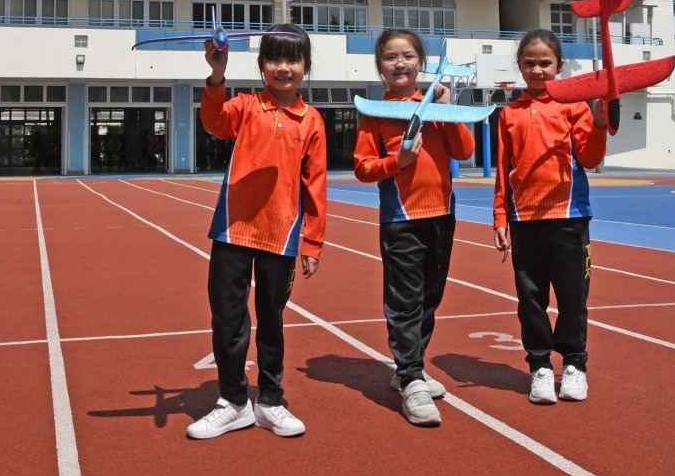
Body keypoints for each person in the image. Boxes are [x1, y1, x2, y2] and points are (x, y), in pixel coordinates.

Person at [187, 23, 327, 440]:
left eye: (293, 60)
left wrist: (312, 242)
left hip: (281, 235)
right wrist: (217, 74)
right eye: (274, 59)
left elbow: (315, 185)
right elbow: (213, 121)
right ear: (262, 64)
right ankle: (233, 402)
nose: (283, 67)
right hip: (232, 231)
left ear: (305, 66)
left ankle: (270, 401)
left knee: (271, 320)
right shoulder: (245, 106)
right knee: (228, 317)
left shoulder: (312, 120)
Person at [354, 29, 475, 427]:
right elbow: (362, 168)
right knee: (405, 301)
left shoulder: (436, 106)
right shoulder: (374, 112)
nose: (400, 63)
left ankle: (411, 366)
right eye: (390, 57)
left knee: (429, 299)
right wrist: (398, 162)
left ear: (421, 63)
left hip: (442, 216)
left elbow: (464, 150)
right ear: (380, 66)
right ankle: (410, 377)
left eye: (408, 55)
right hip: (401, 220)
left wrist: (447, 109)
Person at [494, 29, 607, 404]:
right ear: (519, 66)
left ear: (559, 65)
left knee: (573, 298)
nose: (537, 69)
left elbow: (590, 157)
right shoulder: (509, 113)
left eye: (545, 62)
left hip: (569, 216)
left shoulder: (574, 106)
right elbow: (502, 170)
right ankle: (540, 366)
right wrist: (500, 217)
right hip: (524, 219)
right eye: (529, 63)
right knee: (531, 300)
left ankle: (574, 365)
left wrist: (600, 124)